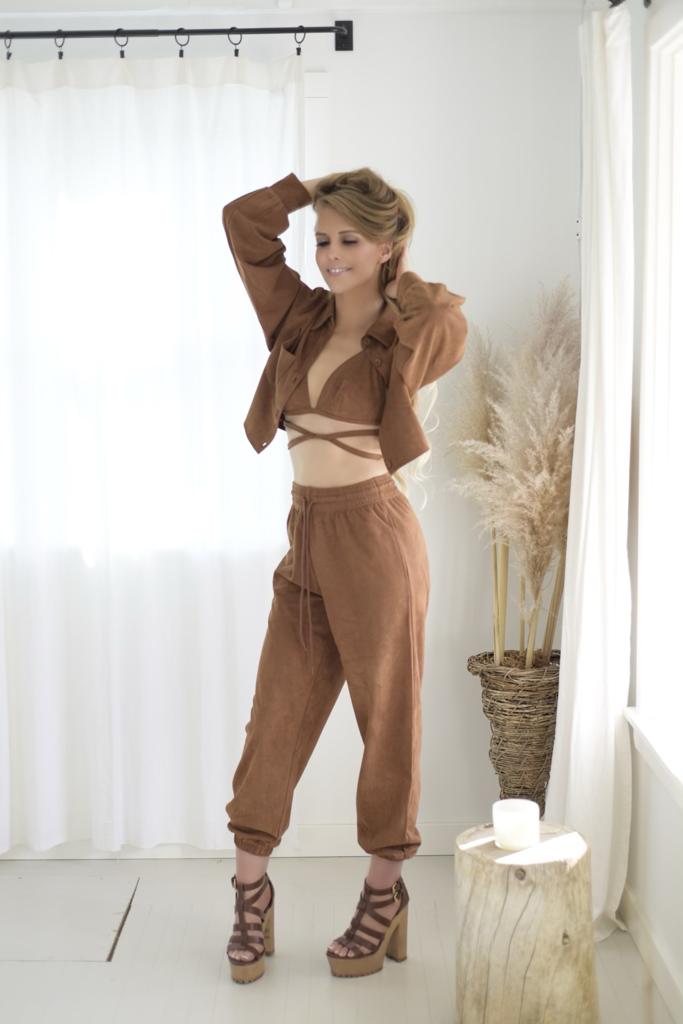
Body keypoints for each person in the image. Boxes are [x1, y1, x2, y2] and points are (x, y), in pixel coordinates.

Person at [221, 168, 468, 983]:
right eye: (322, 239)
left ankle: (383, 894)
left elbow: (447, 318)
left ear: (388, 245)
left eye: (349, 240)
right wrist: (311, 188)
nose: (329, 254)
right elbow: (243, 225)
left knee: (386, 722)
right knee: (274, 719)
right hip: (306, 538)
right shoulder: (298, 315)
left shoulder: (406, 332)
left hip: (375, 539)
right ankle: (250, 895)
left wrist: (395, 268)